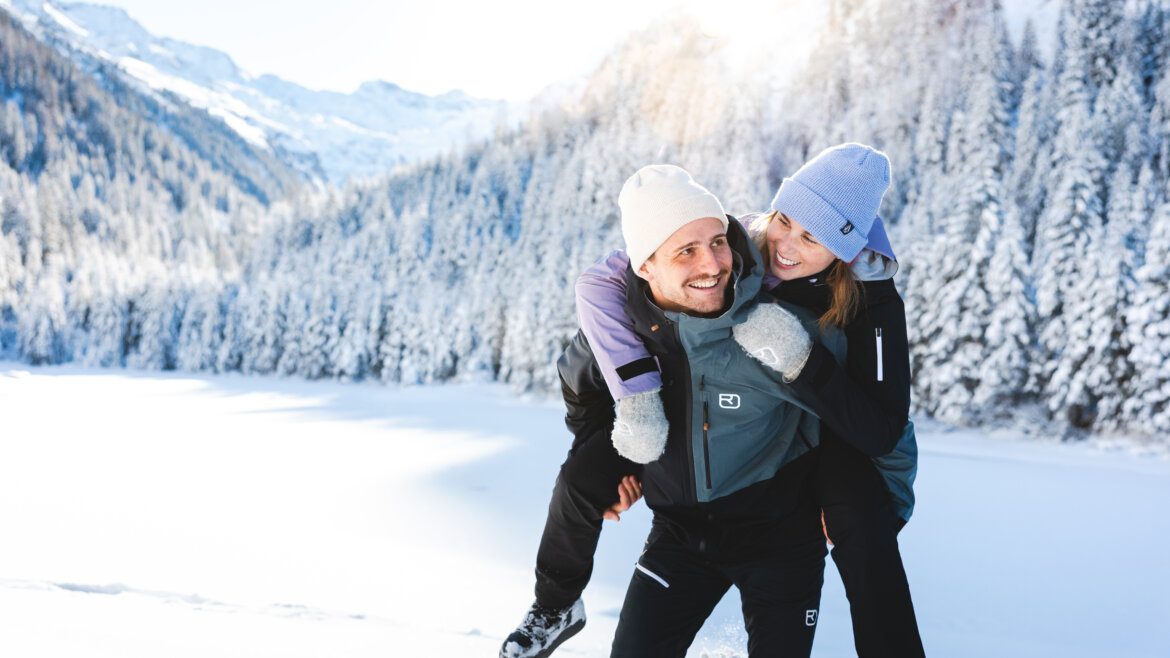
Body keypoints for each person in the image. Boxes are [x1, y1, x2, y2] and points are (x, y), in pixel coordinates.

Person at [501, 163, 911, 657]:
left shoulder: (804, 322)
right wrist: (615, 462)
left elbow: (876, 424)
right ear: (646, 267)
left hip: (782, 535)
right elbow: (585, 380)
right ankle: (554, 607)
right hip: (682, 533)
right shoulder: (627, 325)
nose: (712, 264)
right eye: (785, 223)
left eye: (717, 244)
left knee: (862, 534)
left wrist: (880, 499)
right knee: (578, 481)